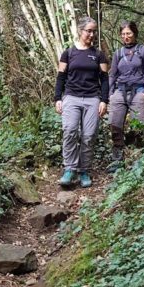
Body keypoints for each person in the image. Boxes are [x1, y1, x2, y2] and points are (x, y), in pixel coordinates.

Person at [54, 16, 108, 188]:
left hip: (92, 98)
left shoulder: (99, 55)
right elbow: (61, 77)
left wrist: (104, 101)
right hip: (71, 97)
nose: (91, 34)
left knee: (89, 135)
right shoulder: (68, 53)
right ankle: (70, 169)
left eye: (94, 31)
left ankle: (84, 170)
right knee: (70, 130)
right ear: (80, 31)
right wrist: (57, 98)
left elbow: (105, 80)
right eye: (88, 31)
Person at [107, 20, 144, 172]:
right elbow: (112, 74)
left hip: (138, 90)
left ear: (135, 34)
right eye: (123, 34)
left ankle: (136, 157)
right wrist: (109, 94)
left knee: (138, 125)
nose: (126, 37)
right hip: (120, 91)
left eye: (129, 33)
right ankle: (117, 158)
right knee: (115, 123)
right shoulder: (118, 53)